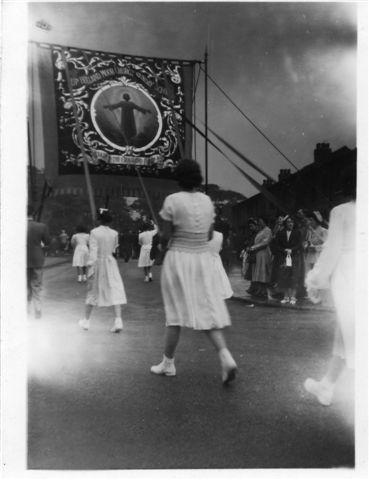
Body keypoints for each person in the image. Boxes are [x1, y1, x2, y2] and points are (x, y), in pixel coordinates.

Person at [150, 159, 237, 385]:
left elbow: (166, 236)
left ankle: (168, 363)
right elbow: (208, 236)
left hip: (178, 259)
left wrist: (162, 234)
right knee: (206, 311)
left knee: (175, 315)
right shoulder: (207, 201)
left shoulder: (172, 200)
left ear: (178, 177)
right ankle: (225, 356)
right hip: (202, 260)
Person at [304, 169, 356, 406]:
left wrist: (314, 280)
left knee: (351, 328)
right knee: (347, 331)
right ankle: (327, 385)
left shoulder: (342, 211)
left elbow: (333, 249)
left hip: (351, 273)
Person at [79, 208, 127, 333]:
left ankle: (86, 321)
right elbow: (113, 249)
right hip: (110, 263)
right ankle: (118, 320)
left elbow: (93, 252)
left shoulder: (94, 232)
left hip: (98, 263)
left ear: (99, 219)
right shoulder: (114, 233)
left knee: (93, 290)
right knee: (114, 288)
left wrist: (90, 268)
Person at [27, 205, 50, 318]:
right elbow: (47, 242)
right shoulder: (41, 226)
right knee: (37, 285)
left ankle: (25, 310)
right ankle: (38, 309)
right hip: (37, 259)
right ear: (33, 214)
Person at [274, 216, 302, 305]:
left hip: (294, 257)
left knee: (294, 276)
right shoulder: (280, 233)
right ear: (285, 223)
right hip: (284, 257)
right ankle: (286, 297)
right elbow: (277, 245)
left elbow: (299, 244)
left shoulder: (297, 233)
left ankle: (293, 297)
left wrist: (292, 250)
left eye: (292, 222)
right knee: (284, 276)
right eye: (288, 222)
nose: (290, 224)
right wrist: (284, 250)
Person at [249, 217, 272, 299]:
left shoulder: (267, 230)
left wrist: (254, 247)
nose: (260, 223)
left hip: (264, 253)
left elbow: (265, 242)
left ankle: (264, 291)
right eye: (259, 222)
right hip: (258, 253)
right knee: (258, 271)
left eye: (261, 221)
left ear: (265, 222)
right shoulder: (260, 230)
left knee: (263, 271)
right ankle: (260, 289)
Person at [208, 230, 233, 299]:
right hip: (216, 261)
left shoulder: (202, 235)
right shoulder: (219, 235)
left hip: (206, 260)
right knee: (218, 279)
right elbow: (220, 248)